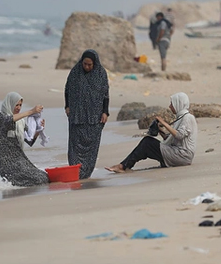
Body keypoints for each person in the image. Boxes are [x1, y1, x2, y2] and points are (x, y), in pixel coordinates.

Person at [106, 92, 197, 173]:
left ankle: (123, 166)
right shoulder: (181, 117)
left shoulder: (188, 118)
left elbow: (179, 135)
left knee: (147, 143)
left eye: (172, 104)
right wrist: (160, 130)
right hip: (178, 153)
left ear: (179, 104)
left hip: (183, 156)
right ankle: (125, 165)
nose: (170, 106)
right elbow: (173, 139)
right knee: (147, 143)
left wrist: (164, 123)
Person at [64, 49, 109, 179]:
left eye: (90, 65)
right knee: (74, 145)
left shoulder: (101, 74)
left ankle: (86, 172)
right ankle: (75, 171)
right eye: (85, 64)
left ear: (95, 63)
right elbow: (67, 90)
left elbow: (105, 95)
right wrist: (67, 106)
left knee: (91, 146)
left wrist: (105, 112)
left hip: (94, 117)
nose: (87, 67)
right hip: (77, 116)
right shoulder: (75, 72)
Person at [0, 92, 49, 187]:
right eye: (16, 105)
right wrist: (31, 111)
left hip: (21, 161)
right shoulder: (1, 119)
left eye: (20, 105)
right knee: (39, 179)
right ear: (9, 104)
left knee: (44, 177)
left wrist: (39, 129)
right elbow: (9, 120)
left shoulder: (20, 121)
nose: (18, 108)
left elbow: (29, 141)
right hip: (9, 166)